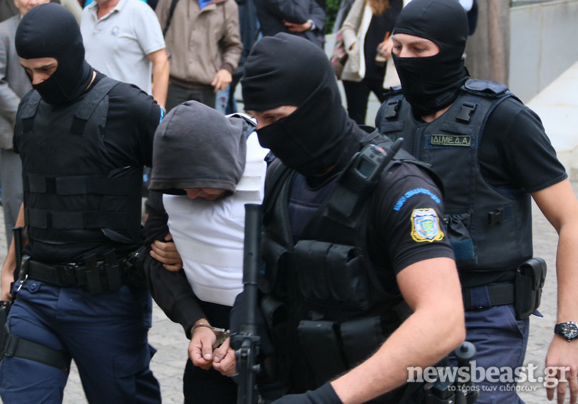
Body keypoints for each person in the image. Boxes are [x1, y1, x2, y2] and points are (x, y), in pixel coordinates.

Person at [231, 32, 466, 403]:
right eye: (256, 119)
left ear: (317, 105)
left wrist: (328, 399)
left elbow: (444, 321)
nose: (263, 135)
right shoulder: (281, 174)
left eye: (275, 118)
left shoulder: (400, 189)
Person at [375, 0, 578, 403]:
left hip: (485, 314)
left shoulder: (505, 119)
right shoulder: (390, 115)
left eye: (419, 49)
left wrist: (568, 331)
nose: (404, 58)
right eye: (398, 47)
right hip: (406, 311)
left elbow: (570, 220)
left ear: (450, 49)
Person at [0, 4, 162, 403]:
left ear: (72, 53)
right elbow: (36, 193)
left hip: (107, 301)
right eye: (28, 71)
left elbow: (181, 182)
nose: (37, 81)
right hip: (36, 294)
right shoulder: (29, 110)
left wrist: (169, 241)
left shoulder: (131, 108)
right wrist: (9, 266)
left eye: (46, 69)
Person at [142, 100, 267, 404]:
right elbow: (153, 259)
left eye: (198, 184)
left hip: (274, 340)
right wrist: (196, 323)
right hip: (210, 339)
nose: (191, 195)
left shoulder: (270, 164)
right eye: (180, 188)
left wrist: (252, 336)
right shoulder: (170, 182)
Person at [0, 0, 49, 247]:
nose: (32, 1)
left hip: (54, 131)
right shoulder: (1, 32)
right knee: (15, 200)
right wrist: (28, 114)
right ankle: (16, 258)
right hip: (15, 133)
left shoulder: (58, 30)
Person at [154, 0, 242, 112]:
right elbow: (154, 35)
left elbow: (233, 46)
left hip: (207, 88)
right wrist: (153, 76)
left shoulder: (228, 6)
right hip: (170, 83)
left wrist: (227, 68)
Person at [81, 0, 169, 108]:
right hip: (91, 107)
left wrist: (159, 109)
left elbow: (160, 61)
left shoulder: (140, 11)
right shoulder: (87, 12)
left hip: (128, 109)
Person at [339, 0, 405, 125]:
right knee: (356, 123)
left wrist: (395, 42)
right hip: (359, 71)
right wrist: (353, 46)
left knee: (394, 121)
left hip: (389, 74)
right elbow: (348, 27)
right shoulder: (366, 1)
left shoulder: (409, 3)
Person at [253, 0, 325, 48]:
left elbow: (319, 12)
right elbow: (299, 15)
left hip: (309, 46)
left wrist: (308, 25)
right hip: (284, 49)